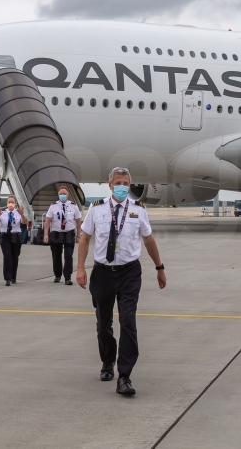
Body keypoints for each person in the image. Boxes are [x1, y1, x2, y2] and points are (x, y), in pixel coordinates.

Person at [77, 167, 167, 396]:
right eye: (118, 182)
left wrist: (160, 267)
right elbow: (85, 238)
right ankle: (107, 361)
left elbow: (148, 240)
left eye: (126, 183)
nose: (122, 186)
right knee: (103, 324)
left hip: (129, 273)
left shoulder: (138, 210)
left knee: (128, 321)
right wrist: (80, 268)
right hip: (102, 273)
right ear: (110, 185)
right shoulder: (97, 209)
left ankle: (124, 375)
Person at [44, 187, 82, 285]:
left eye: (64, 194)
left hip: (69, 233)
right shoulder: (53, 206)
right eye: (61, 194)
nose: (62, 195)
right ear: (58, 195)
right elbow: (48, 221)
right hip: (56, 233)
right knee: (56, 256)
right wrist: (46, 234)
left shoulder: (73, 206)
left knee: (68, 255)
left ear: (68, 195)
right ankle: (57, 275)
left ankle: (67, 277)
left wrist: (78, 235)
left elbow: (78, 221)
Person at [0, 195, 23, 286]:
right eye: (9, 202)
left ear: (15, 204)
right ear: (6, 203)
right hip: (5, 236)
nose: (10, 204)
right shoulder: (3, 213)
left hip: (16, 235)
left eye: (12, 202)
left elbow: (25, 222)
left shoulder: (18, 212)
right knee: (7, 256)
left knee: (15, 257)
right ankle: (7, 278)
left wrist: (22, 214)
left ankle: (13, 277)